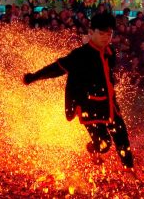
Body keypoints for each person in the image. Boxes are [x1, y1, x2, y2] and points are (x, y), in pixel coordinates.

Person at [23, 12, 136, 174]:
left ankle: (129, 170)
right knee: (104, 144)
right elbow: (57, 69)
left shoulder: (110, 52)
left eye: (109, 34)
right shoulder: (80, 55)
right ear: (91, 33)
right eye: (101, 33)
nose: (106, 38)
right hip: (89, 106)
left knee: (121, 135)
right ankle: (94, 148)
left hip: (109, 104)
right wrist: (33, 77)